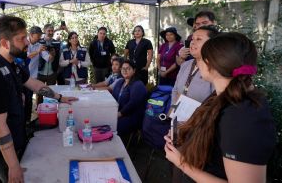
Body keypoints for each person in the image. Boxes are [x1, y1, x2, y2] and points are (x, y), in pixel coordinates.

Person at [0, 16, 77, 183]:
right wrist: (13, 165)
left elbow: (32, 83)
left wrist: (59, 97)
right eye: (21, 39)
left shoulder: (12, 61)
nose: (27, 42)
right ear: (5, 43)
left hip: (12, 136)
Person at [164, 32, 276, 182]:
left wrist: (181, 163)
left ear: (210, 63)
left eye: (202, 57)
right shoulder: (220, 97)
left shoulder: (244, 116)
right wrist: (184, 137)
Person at [171, 25, 219, 104]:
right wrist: (172, 112)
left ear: (212, 43)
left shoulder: (217, 70)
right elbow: (175, 90)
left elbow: (215, 103)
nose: (192, 42)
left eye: (199, 39)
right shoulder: (186, 65)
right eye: (192, 39)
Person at [112, 60, 147, 142]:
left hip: (132, 116)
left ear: (134, 70)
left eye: (128, 68)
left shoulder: (138, 85)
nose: (125, 70)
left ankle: (117, 148)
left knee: (112, 125)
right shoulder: (120, 82)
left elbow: (133, 104)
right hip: (119, 113)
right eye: (123, 68)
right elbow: (113, 97)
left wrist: (119, 114)